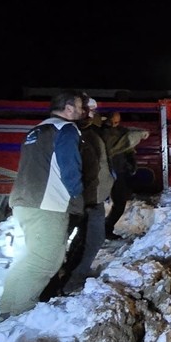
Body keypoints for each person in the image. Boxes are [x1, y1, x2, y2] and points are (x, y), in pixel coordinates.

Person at [0, 90, 84, 320]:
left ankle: (8, 308)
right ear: (68, 108)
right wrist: (77, 196)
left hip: (23, 200)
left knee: (31, 256)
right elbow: (70, 167)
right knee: (46, 260)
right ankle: (21, 313)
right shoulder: (66, 129)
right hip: (47, 203)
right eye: (79, 106)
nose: (82, 111)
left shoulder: (36, 130)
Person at [58, 96, 113, 294]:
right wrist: (80, 199)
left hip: (93, 198)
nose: (91, 114)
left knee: (89, 239)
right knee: (85, 240)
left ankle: (71, 276)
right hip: (83, 200)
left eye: (93, 111)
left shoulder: (90, 133)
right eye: (87, 110)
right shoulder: (73, 135)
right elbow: (74, 171)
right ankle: (68, 281)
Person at [100, 110, 149, 240]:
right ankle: (102, 230)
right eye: (114, 120)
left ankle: (106, 229)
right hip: (109, 172)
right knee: (105, 205)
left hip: (119, 171)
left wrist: (131, 161)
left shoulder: (118, 131)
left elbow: (127, 143)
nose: (116, 123)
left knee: (120, 203)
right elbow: (121, 143)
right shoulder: (104, 133)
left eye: (118, 120)